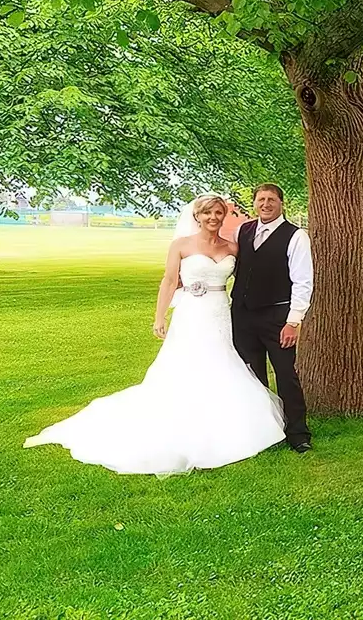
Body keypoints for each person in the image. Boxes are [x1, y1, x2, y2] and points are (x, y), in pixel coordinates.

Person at [24, 194, 285, 474]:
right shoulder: (181, 246)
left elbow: (247, 280)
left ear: (223, 216)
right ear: (197, 216)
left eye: (218, 213)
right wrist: (159, 316)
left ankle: (224, 420)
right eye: (207, 213)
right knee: (185, 363)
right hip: (191, 314)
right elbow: (170, 280)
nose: (213, 218)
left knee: (222, 360)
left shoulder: (232, 247)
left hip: (221, 312)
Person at [233, 183, 313, 451]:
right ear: (254, 203)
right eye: (261, 199)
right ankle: (262, 429)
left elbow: (303, 281)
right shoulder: (243, 231)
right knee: (252, 374)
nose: (265, 204)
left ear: (281, 203)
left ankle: (298, 433)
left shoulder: (296, 236)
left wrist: (294, 321)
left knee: (285, 375)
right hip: (243, 316)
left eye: (271, 200)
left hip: (278, 317)